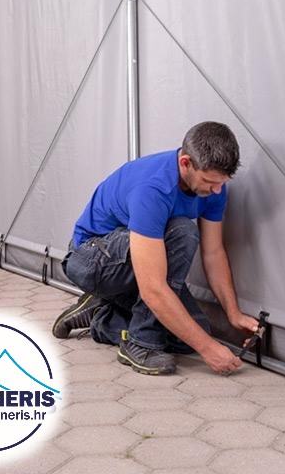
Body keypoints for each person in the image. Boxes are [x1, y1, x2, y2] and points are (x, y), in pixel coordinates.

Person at [53, 121, 259, 375]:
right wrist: (209, 349)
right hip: (91, 260)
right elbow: (153, 288)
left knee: (189, 337)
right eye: (209, 181)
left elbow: (213, 253)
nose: (216, 190)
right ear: (185, 163)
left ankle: (101, 315)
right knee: (182, 232)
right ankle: (141, 343)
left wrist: (233, 313)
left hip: (135, 261)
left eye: (222, 183)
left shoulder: (214, 189)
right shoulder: (153, 188)